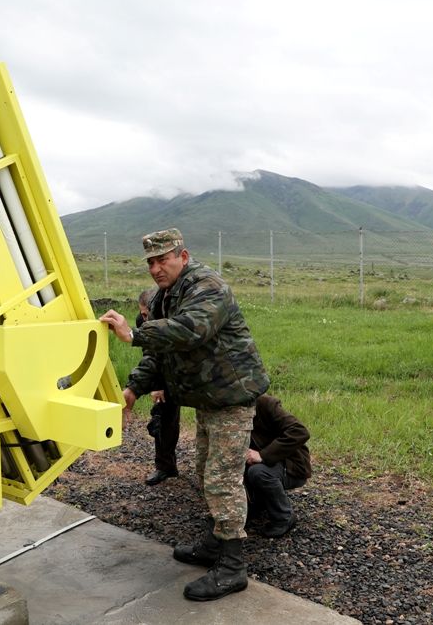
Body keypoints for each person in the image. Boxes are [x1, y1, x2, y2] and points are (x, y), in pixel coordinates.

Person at [100, 228, 269, 602]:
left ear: (184, 256)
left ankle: (232, 566)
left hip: (231, 396)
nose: (157, 268)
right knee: (206, 470)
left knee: (222, 479)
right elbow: (159, 354)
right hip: (209, 397)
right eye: (151, 262)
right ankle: (215, 541)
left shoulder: (209, 286)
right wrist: (132, 390)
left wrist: (133, 333)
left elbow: (191, 330)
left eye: (164, 259)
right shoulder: (164, 297)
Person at [245, 393, 311, 538]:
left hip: (291, 465)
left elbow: (300, 432)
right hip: (267, 463)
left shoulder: (265, 403)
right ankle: (257, 504)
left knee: (258, 472)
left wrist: (262, 455)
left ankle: (284, 517)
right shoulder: (228, 406)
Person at [136, 288, 181, 486]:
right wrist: (157, 385)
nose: (144, 319)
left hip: (191, 373)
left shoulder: (175, 320)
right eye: (143, 314)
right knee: (163, 417)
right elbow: (151, 354)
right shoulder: (143, 322)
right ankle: (165, 467)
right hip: (165, 372)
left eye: (148, 314)